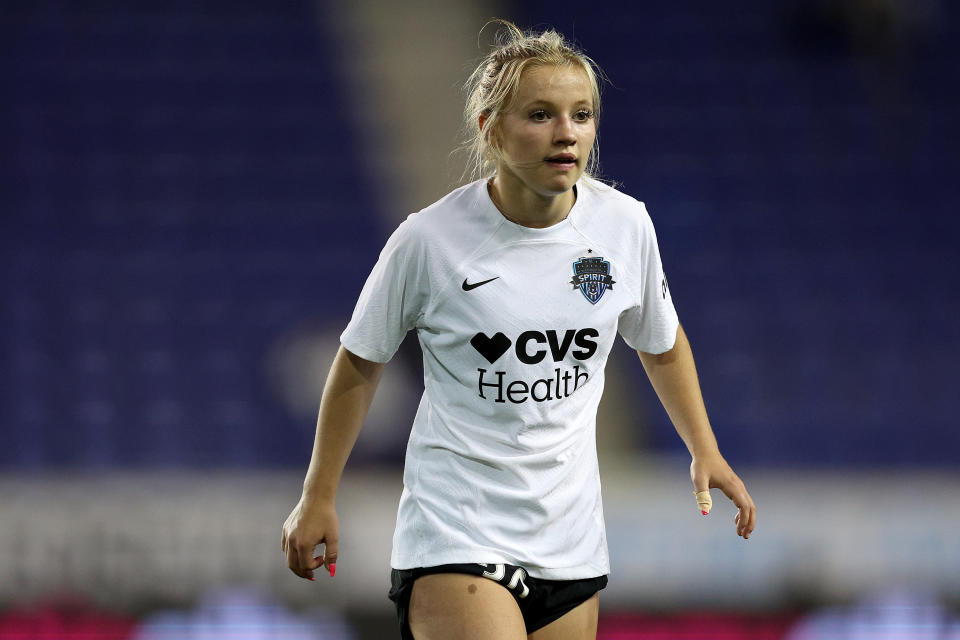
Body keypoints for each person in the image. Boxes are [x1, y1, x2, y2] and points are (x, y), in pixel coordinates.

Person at [281, 20, 757, 640]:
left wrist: (705, 448)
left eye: (581, 115)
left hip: (569, 535)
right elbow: (360, 362)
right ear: (490, 129)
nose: (566, 134)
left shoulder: (624, 227)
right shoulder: (428, 242)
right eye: (540, 114)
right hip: (456, 529)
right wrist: (318, 494)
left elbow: (659, 340)